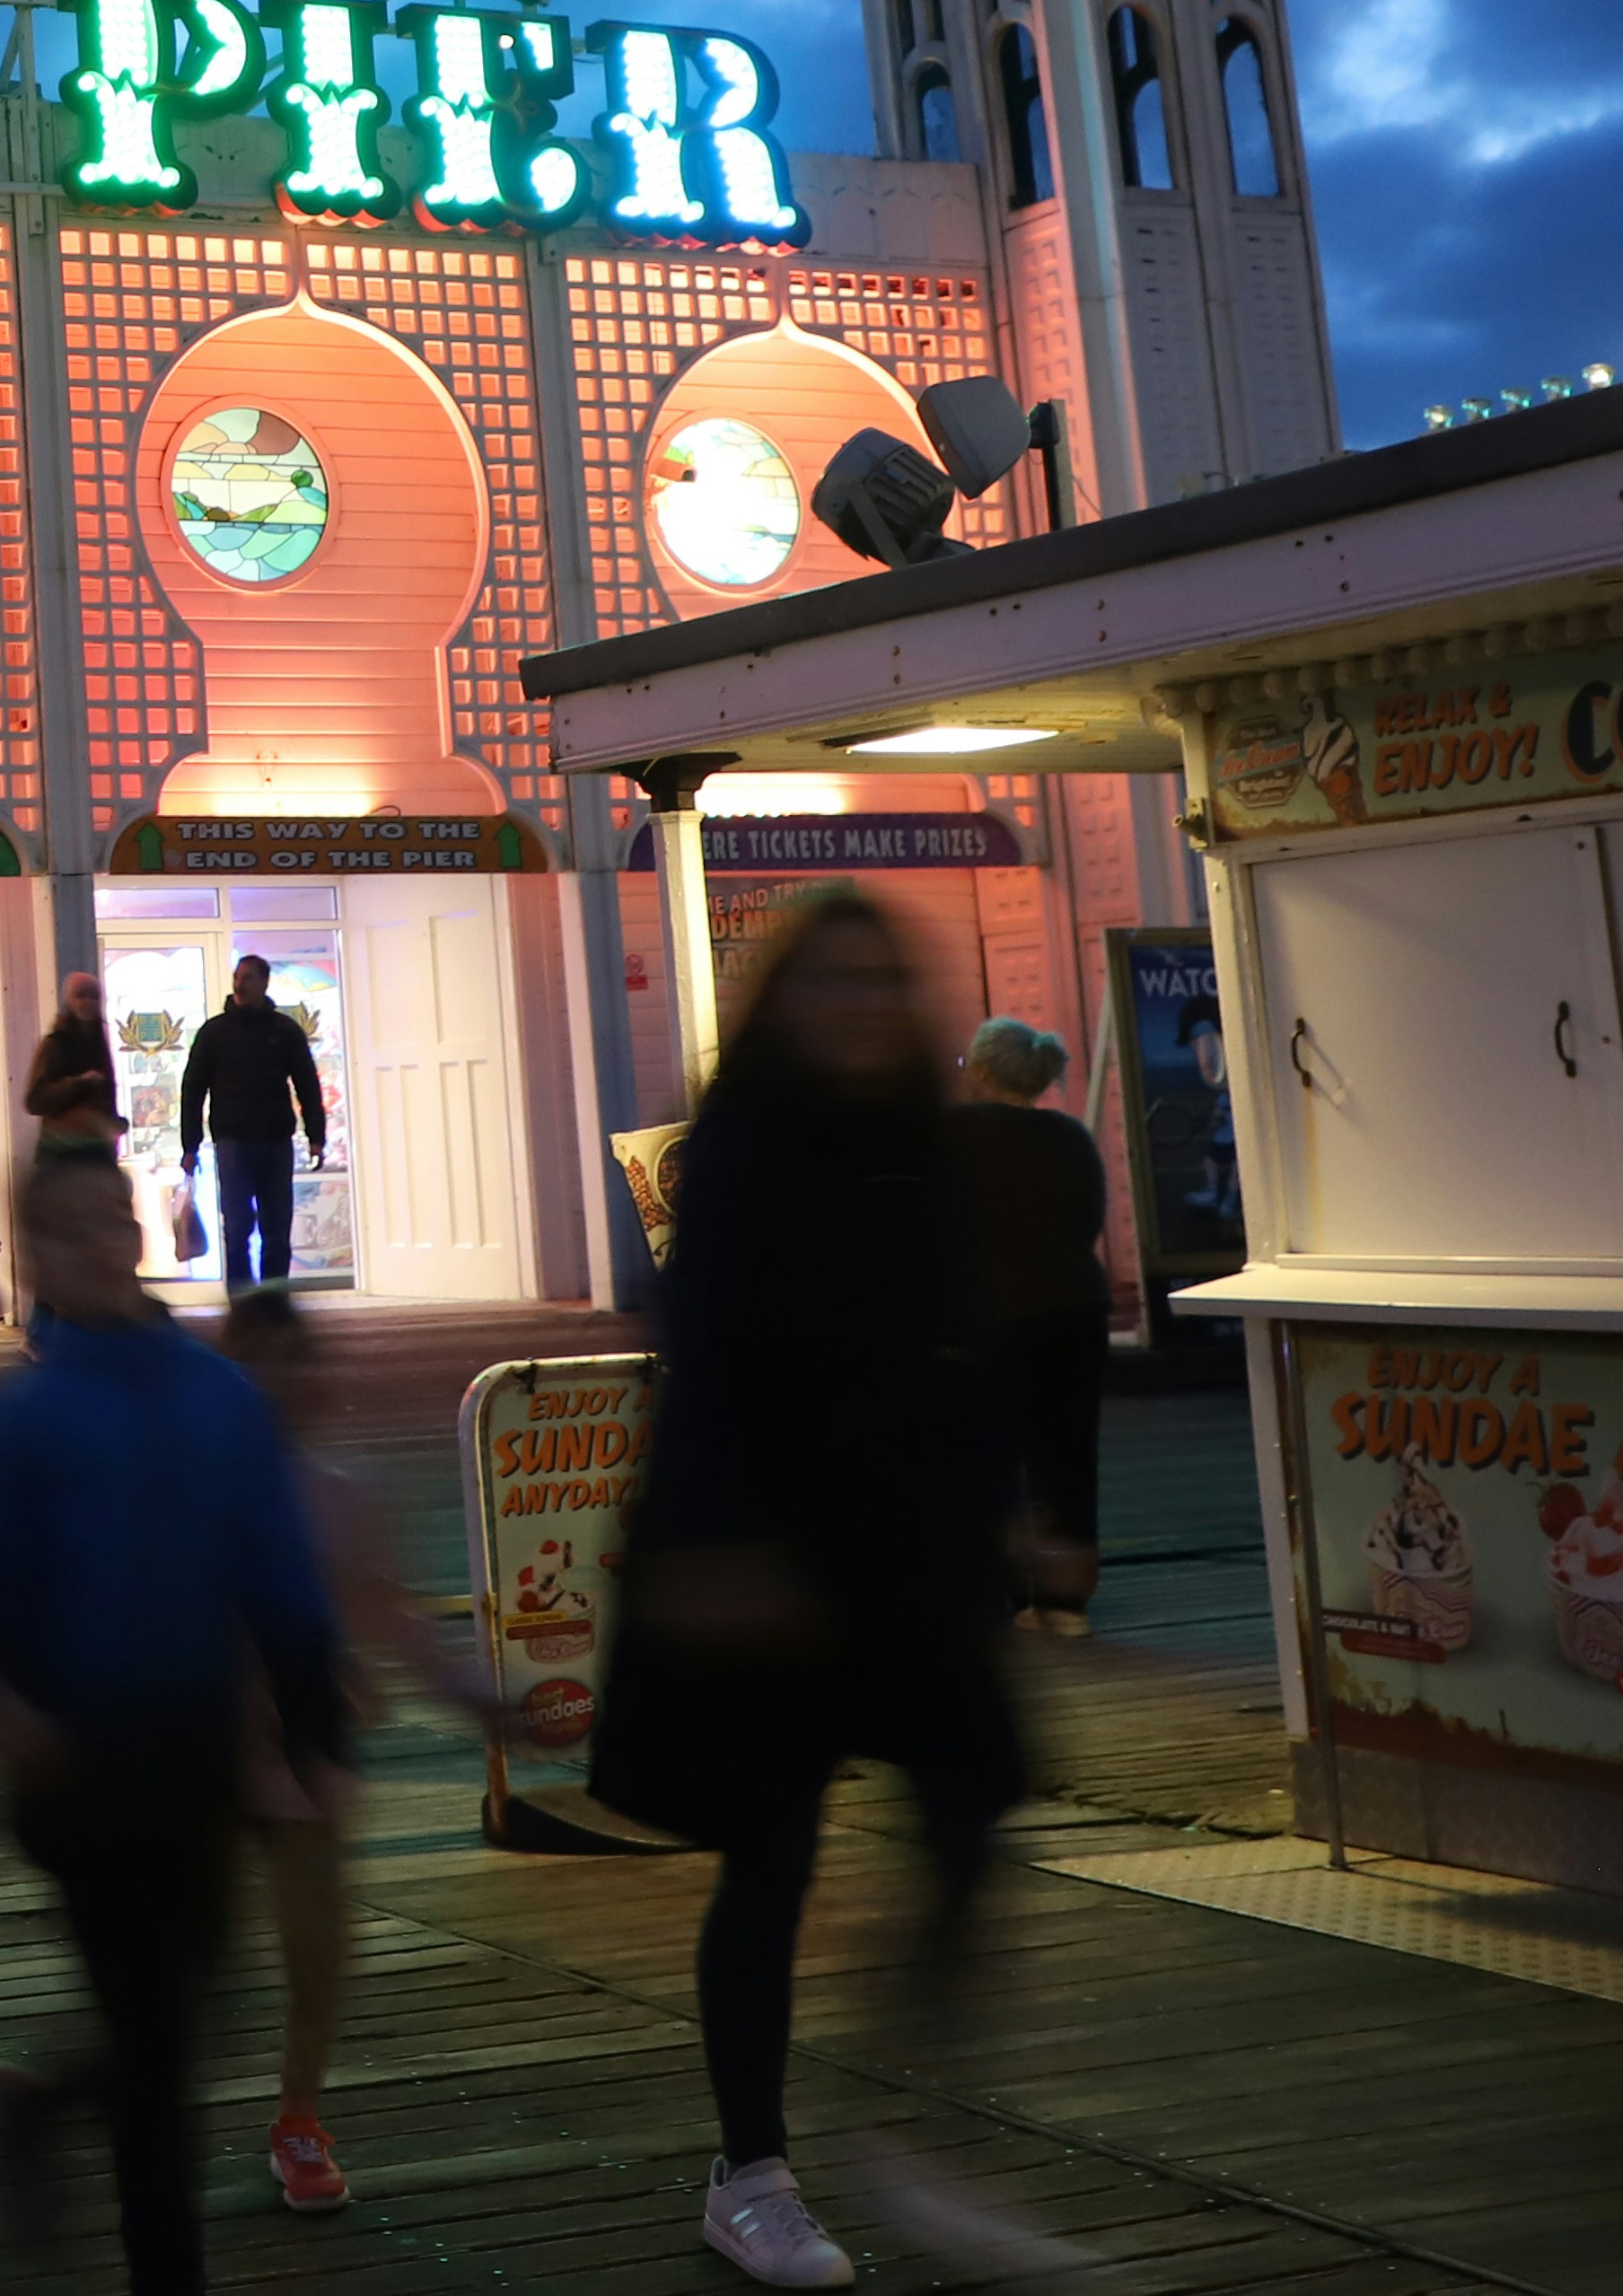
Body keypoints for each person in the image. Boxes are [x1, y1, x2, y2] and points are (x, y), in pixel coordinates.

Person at [589, 889, 1052, 2288]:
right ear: (783, 1000)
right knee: (769, 1854)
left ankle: (907, 2120)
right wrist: (718, 1543)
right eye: (827, 981)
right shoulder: (740, 1148)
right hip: (772, 1553)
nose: (856, 1006)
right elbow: (710, 1350)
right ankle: (754, 2168)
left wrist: (1012, 1514)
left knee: (978, 1800)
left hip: (901, 1542)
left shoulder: (923, 1145)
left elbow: (960, 1337)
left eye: (877, 981)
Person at [0, 1149, 350, 2296]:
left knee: (188, 2004)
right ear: (42, 1263)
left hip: (196, 1747)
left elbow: (274, 1568)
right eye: (68, 1230)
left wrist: (307, 1728)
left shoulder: (214, 1393)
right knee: (160, 2042)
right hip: (80, 1760)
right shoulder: (26, 1415)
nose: (104, 1242)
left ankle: (47, 2104)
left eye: (116, 1217)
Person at [216, 1289, 490, 2215]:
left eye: (300, 1360)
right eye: (260, 1361)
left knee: (319, 1944)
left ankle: (299, 2112)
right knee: (187, 1947)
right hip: (201, 1732)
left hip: (305, 1737)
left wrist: (476, 1696)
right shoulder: (184, 1491)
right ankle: (124, 2091)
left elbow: (394, 1617)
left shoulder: (341, 1496)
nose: (285, 1379)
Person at [947, 1017, 1111, 1634]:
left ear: (984, 1072)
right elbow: (1087, 1220)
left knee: (990, 1455)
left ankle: (1009, 1592)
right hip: (1077, 1310)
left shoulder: (954, 1134)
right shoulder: (1071, 1137)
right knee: (1067, 1454)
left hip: (993, 1315)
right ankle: (1067, 1602)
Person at [176, 956, 329, 1293]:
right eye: (237, 977)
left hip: (275, 1141)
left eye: (247, 977)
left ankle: (273, 1302)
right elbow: (193, 1088)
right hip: (233, 1142)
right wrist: (190, 1145)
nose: (239, 984)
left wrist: (316, 1136)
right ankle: (242, 1304)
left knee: (276, 1229)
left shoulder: (285, 1031)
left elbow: (307, 1084)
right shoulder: (215, 1033)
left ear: (264, 982)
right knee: (238, 1226)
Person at [26, 974, 123, 1152]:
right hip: (62, 1151)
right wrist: (79, 1084)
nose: (88, 1002)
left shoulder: (100, 1041)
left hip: (96, 1151)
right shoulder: (55, 1043)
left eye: (94, 996)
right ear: (69, 1001)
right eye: (80, 996)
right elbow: (35, 1100)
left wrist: (113, 1124)